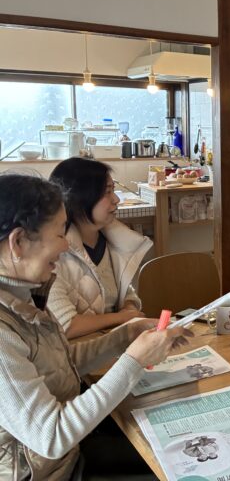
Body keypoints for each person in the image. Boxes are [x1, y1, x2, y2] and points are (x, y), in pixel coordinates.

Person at [0, 173, 192, 479]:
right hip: (51, 472)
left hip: (70, 455)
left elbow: (60, 364)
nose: (66, 246)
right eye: (60, 234)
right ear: (19, 242)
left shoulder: (24, 294)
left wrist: (124, 337)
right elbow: (51, 436)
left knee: (181, 447)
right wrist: (135, 360)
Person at [47, 157, 152, 338]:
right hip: (76, 349)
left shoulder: (115, 241)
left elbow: (127, 294)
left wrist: (129, 307)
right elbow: (66, 325)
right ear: (80, 198)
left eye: (114, 190)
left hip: (113, 341)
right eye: (107, 192)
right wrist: (121, 318)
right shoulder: (53, 252)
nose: (116, 199)